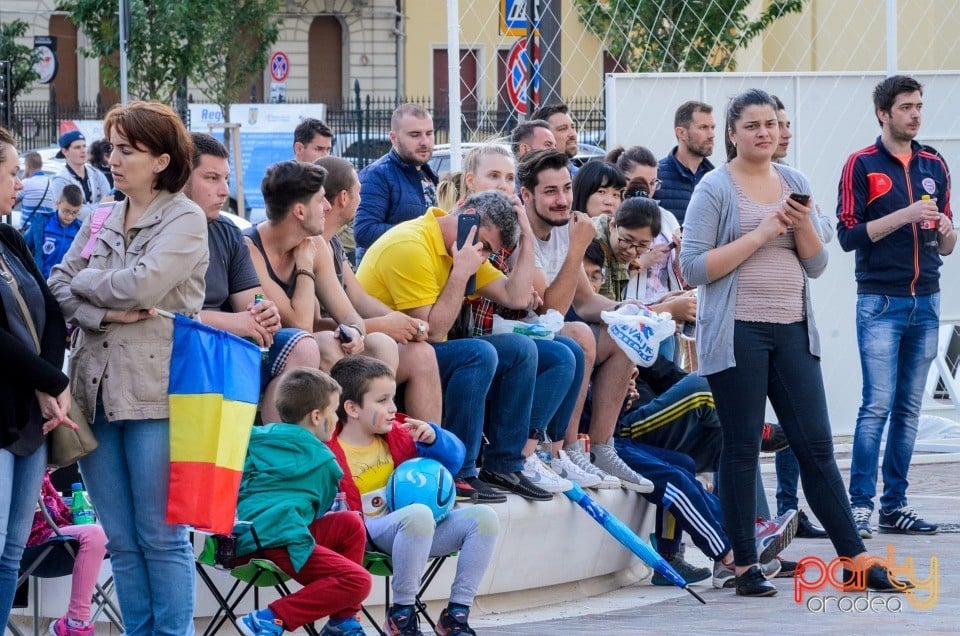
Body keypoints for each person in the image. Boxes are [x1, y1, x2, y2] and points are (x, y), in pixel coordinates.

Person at [680, 88, 913, 597]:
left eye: (771, 124)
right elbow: (693, 267)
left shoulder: (795, 181)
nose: (765, 133)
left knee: (817, 447)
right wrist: (763, 232)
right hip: (736, 332)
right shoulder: (715, 188)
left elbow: (816, 264)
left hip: (791, 330)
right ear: (733, 133)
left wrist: (801, 222)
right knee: (741, 448)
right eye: (753, 126)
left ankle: (856, 561)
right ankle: (744, 565)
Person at [49, 101, 209, 633]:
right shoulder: (99, 214)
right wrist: (105, 310)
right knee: (120, 537)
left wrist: (85, 286)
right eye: (111, 148)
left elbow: (144, 284)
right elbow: (55, 288)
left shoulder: (184, 217)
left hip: (154, 393)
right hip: (93, 393)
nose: (112, 159)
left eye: (127, 150)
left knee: (160, 536)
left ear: (161, 160)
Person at [355, 189, 556, 503]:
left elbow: (515, 297)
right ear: (464, 212)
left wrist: (527, 238)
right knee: (479, 353)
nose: (484, 255)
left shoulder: (467, 249)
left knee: (521, 349)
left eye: (489, 251)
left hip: (418, 347)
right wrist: (461, 272)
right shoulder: (412, 244)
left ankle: (504, 465)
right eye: (484, 247)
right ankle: (460, 470)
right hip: (389, 352)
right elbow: (432, 332)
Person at [519, 149, 694, 492]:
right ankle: (563, 449)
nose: (562, 200)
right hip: (520, 333)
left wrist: (634, 311)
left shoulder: (565, 228)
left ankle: (601, 447)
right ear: (527, 194)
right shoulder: (528, 232)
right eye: (550, 192)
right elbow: (550, 309)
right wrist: (575, 249)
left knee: (621, 331)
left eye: (566, 189)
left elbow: (587, 302)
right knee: (581, 335)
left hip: (549, 335)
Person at [838, 75, 956, 538]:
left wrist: (947, 234)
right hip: (880, 300)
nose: (916, 114)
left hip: (926, 297)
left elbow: (946, 243)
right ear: (883, 114)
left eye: (919, 106)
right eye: (906, 107)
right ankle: (859, 505)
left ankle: (896, 504)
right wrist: (905, 215)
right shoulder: (861, 164)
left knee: (909, 407)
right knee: (877, 406)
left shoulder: (934, 162)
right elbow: (849, 235)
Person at [456, 144, 597, 491]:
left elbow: (524, 300)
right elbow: (546, 310)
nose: (502, 185)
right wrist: (575, 250)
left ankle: (556, 452)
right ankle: (520, 456)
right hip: (465, 339)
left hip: (496, 334)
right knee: (561, 347)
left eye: (507, 177)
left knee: (574, 346)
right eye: (494, 177)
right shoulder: (470, 227)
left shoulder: (512, 227)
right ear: (471, 182)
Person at [328, 356, 498, 636]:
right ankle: (402, 615)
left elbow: (456, 459)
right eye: (382, 400)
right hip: (362, 534)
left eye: (393, 399)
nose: (393, 408)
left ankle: (456, 614)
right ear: (352, 408)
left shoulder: (400, 434)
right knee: (418, 514)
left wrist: (434, 438)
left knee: (484, 518)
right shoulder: (328, 450)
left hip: (414, 533)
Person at [184, 133, 321, 424]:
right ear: (182, 178)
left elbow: (252, 301)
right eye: (211, 178)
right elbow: (168, 313)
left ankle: (272, 452)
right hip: (185, 349)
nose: (224, 191)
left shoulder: (228, 232)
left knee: (305, 345)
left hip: (231, 347)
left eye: (226, 179)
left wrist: (264, 311)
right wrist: (237, 322)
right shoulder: (164, 231)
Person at [0, 125, 75, 627]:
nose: (19, 183)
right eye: (10, 173)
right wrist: (53, 380)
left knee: (10, 555)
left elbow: (49, 308)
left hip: (29, 415)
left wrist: (48, 381)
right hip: (5, 412)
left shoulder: (8, 235)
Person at [235, 367, 372, 636]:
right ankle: (270, 618)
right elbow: (318, 508)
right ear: (317, 416)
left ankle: (342, 622)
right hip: (282, 538)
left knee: (350, 523)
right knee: (358, 581)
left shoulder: (254, 438)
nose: (337, 419)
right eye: (334, 412)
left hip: (242, 538)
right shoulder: (324, 461)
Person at [316, 154, 443, 424]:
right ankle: (370, 443)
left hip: (352, 336)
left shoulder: (334, 244)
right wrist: (384, 325)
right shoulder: (311, 244)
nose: (361, 201)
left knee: (422, 353)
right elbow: (312, 324)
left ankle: (425, 452)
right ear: (343, 198)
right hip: (330, 343)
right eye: (358, 193)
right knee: (382, 342)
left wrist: (404, 323)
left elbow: (359, 297)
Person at [768, 96, 829, 540]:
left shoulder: (794, 180)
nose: (783, 132)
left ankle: (792, 509)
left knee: (799, 423)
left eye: (785, 124)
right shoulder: (726, 182)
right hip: (743, 325)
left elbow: (824, 234)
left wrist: (803, 222)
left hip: (793, 317)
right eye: (773, 123)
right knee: (748, 430)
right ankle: (762, 518)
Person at [242, 160, 371, 370]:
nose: (328, 207)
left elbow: (349, 314)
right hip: (261, 354)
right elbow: (301, 327)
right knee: (327, 345)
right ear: (300, 212)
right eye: (321, 201)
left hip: (301, 348)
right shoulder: (250, 249)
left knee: (382, 345)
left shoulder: (314, 243)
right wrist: (304, 267)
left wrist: (355, 332)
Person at [354, 104, 439, 261]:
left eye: (429, 133)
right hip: (387, 278)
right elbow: (364, 232)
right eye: (415, 135)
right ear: (394, 138)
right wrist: (423, 233)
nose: (424, 141)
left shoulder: (430, 175)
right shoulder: (377, 174)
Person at [28, 472, 108, 636]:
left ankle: (141, 624)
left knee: (113, 536)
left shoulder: (42, 476)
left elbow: (64, 513)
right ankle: (76, 622)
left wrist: (83, 510)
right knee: (95, 534)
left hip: (59, 541)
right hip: (33, 545)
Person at [654, 101, 716, 224]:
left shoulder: (717, 179)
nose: (711, 135)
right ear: (681, 133)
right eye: (703, 127)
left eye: (712, 127)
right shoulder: (656, 177)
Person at [24, 183, 84, 278]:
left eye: (75, 212)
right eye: (66, 211)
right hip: (40, 280)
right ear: (57, 204)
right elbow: (22, 247)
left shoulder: (80, 230)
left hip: (64, 283)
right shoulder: (41, 223)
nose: (70, 216)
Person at [51, 131, 112, 221]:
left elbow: (110, 204)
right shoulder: (59, 180)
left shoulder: (97, 174)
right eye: (77, 147)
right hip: (73, 233)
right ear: (65, 151)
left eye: (84, 146)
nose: (83, 150)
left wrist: (87, 209)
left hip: (98, 230)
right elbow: (69, 213)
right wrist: (99, 207)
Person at [16, 151, 56, 231]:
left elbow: (14, 200)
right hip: (46, 230)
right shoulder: (49, 182)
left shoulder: (26, 183)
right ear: (41, 165)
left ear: (27, 165)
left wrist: (24, 178)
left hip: (28, 230)